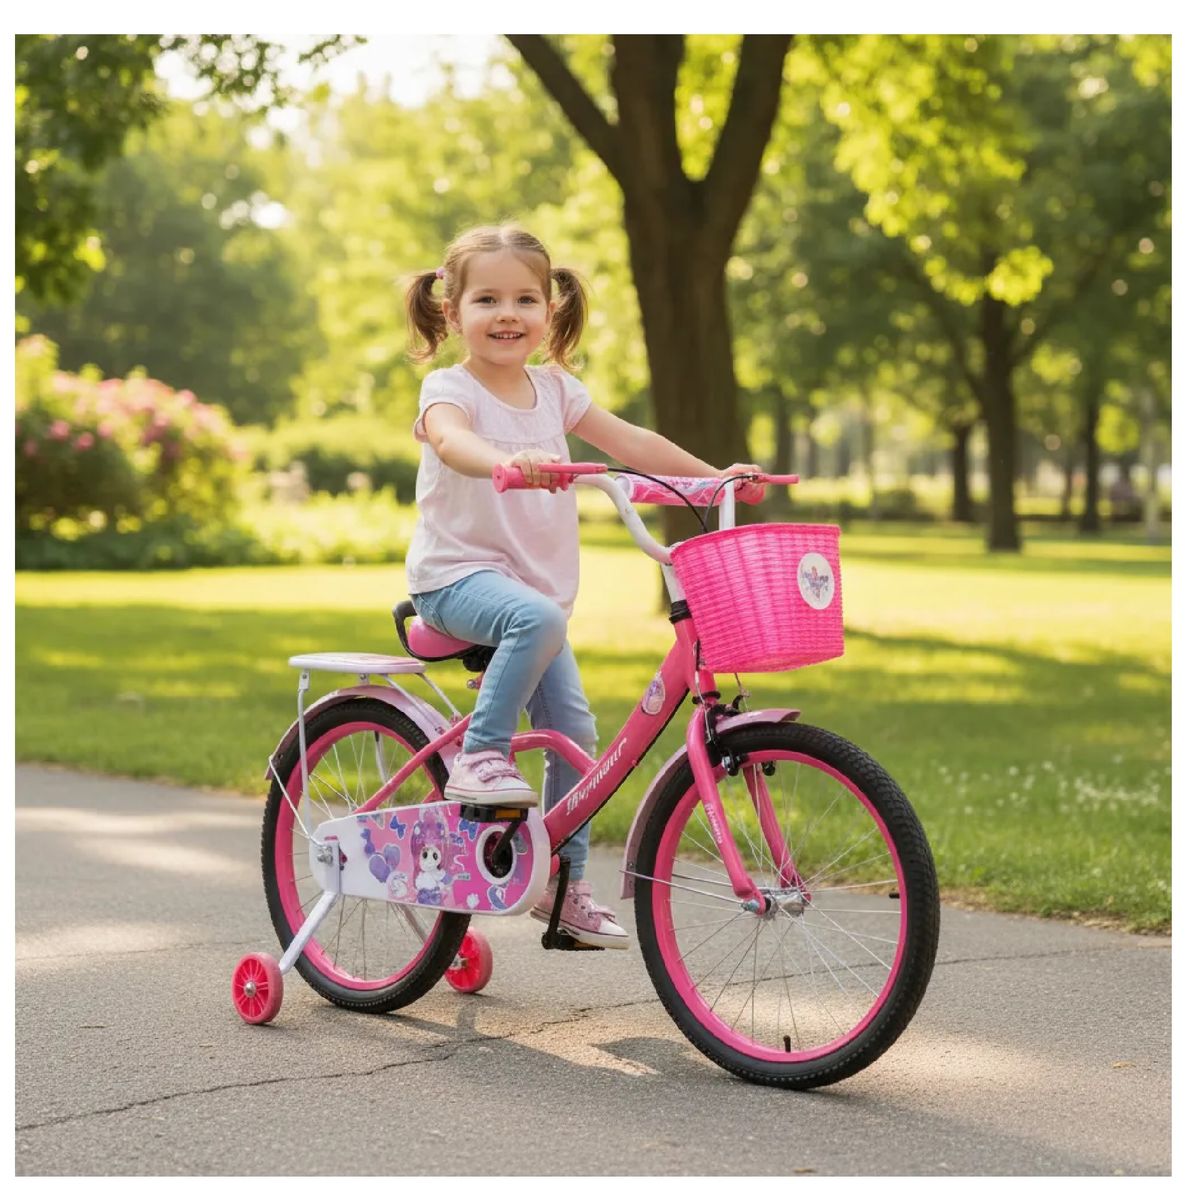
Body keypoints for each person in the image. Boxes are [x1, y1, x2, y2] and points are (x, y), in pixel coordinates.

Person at [403, 223, 761, 949]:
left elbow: (634, 443)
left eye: (526, 298)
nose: (509, 314)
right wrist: (505, 460)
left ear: (550, 310)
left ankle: (564, 890)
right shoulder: (450, 388)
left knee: (576, 736)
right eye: (488, 299)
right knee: (536, 620)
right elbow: (449, 440)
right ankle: (480, 759)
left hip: (535, 606)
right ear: (453, 313)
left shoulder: (557, 391)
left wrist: (709, 476)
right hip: (456, 582)